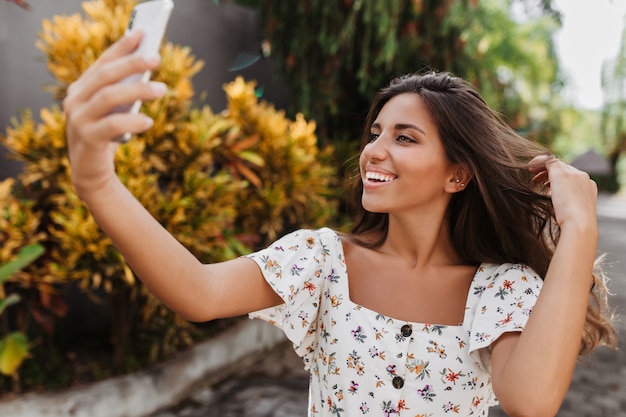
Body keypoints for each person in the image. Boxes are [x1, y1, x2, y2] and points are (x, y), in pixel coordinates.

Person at [63, 30, 616, 417]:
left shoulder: (500, 289)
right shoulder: (322, 261)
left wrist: (580, 230)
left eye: (404, 137)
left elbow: (532, 401)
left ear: (457, 175)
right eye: (375, 132)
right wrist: (96, 183)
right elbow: (198, 292)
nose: (374, 150)